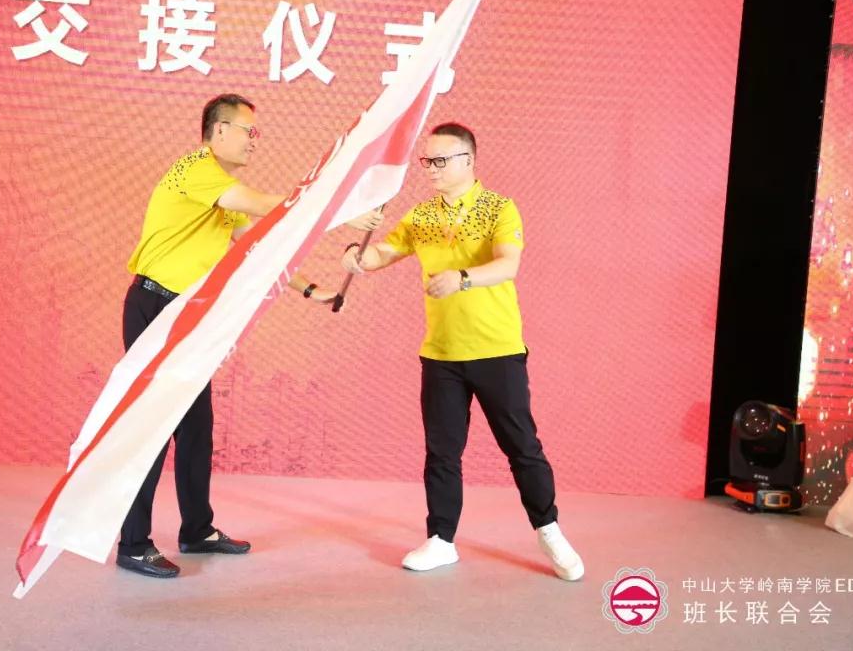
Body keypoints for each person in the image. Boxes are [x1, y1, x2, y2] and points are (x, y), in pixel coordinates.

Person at [117, 93, 382, 578]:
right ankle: (133, 544)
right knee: (151, 428)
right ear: (218, 130)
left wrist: (311, 290)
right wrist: (341, 211)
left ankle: (197, 530)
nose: (254, 141)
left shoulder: (220, 193)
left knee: (196, 429)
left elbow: (258, 247)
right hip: (155, 308)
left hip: (187, 316)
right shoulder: (195, 171)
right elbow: (266, 206)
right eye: (248, 131)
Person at [341, 122, 584, 580]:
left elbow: (508, 263)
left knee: (522, 447)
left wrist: (463, 278)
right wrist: (357, 254)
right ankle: (441, 539)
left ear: (468, 161)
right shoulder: (421, 216)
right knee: (442, 452)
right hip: (441, 355)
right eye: (427, 160)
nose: (431, 168)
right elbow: (383, 254)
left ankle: (549, 530)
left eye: (441, 160)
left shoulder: (498, 208)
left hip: (497, 350)